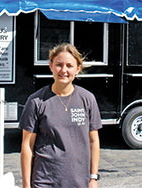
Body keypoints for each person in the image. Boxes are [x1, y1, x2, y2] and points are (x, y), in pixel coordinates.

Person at [19, 43, 102, 188]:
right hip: (45, 181)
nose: (64, 70)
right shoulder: (36, 101)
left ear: (78, 69)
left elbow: (93, 141)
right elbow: (27, 146)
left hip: (78, 181)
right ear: (51, 66)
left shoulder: (87, 99)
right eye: (59, 65)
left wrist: (93, 178)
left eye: (69, 66)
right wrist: (26, 185)